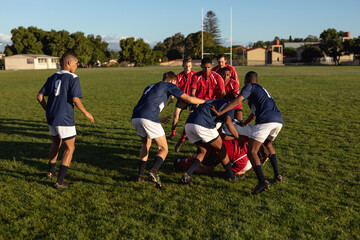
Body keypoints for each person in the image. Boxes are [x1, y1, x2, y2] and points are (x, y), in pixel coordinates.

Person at [211, 71, 283, 195]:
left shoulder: (249, 86)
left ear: (246, 81)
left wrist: (221, 112)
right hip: (278, 120)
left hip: (266, 120)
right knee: (269, 145)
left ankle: (262, 181)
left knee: (252, 151)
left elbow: (237, 100)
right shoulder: (261, 89)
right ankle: (277, 175)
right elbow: (255, 110)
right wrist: (247, 122)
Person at [131, 71, 205, 189]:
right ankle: (154, 171)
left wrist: (158, 118)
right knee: (164, 148)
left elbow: (147, 104)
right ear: (172, 81)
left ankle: (140, 175)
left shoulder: (150, 86)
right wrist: (206, 101)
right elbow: (189, 99)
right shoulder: (169, 85)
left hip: (135, 117)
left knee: (146, 143)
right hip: (148, 118)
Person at [37, 52, 94, 189]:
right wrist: (86, 112)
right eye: (76, 63)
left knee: (56, 141)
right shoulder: (73, 77)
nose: (77, 66)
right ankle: (60, 182)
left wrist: (48, 109)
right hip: (64, 117)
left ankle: (51, 172)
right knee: (70, 147)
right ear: (68, 63)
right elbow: (75, 98)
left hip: (51, 116)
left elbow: (39, 97)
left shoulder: (51, 76)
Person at [181, 98, 240, 185]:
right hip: (202, 125)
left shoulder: (214, 101)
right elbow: (228, 122)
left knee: (203, 151)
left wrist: (233, 138)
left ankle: (188, 174)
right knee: (222, 149)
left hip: (189, 125)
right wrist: (238, 137)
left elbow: (219, 135)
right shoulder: (229, 104)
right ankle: (232, 176)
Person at [174, 57, 225, 152]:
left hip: (213, 104)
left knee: (217, 126)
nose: (206, 70)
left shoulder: (217, 77)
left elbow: (223, 93)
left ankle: (216, 146)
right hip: (199, 103)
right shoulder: (196, 76)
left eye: (209, 67)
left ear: (211, 66)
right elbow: (192, 93)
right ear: (201, 66)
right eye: (204, 67)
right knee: (190, 121)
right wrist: (197, 102)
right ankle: (181, 140)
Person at [168, 58, 196, 140]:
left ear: (191, 66)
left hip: (191, 99)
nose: (187, 68)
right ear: (183, 66)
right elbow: (173, 88)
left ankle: (187, 134)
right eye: (186, 66)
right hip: (182, 98)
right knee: (176, 115)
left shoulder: (195, 75)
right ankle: (173, 132)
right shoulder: (179, 76)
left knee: (191, 118)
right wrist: (172, 98)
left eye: (189, 66)